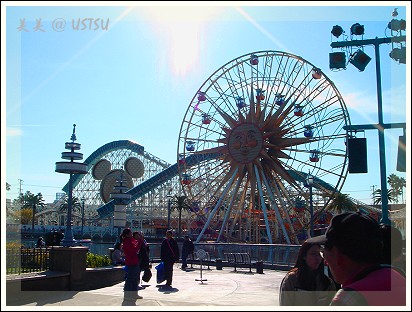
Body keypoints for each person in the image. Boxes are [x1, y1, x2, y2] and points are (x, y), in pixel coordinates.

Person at [307, 211, 406, 306]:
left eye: (323, 253)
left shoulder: (350, 298)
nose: (325, 262)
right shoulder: (399, 277)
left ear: (338, 255)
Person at [279, 241, 337, 306]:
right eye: (313, 254)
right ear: (304, 256)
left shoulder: (327, 282)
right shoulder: (292, 279)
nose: (317, 258)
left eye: (319, 254)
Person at [121, 228, 144, 301]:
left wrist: (140, 239)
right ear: (127, 234)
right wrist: (140, 241)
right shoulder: (126, 241)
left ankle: (134, 294)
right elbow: (135, 249)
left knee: (135, 279)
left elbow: (136, 242)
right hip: (131, 262)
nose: (132, 234)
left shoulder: (130, 240)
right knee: (130, 279)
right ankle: (127, 295)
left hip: (134, 261)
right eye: (130, 233)